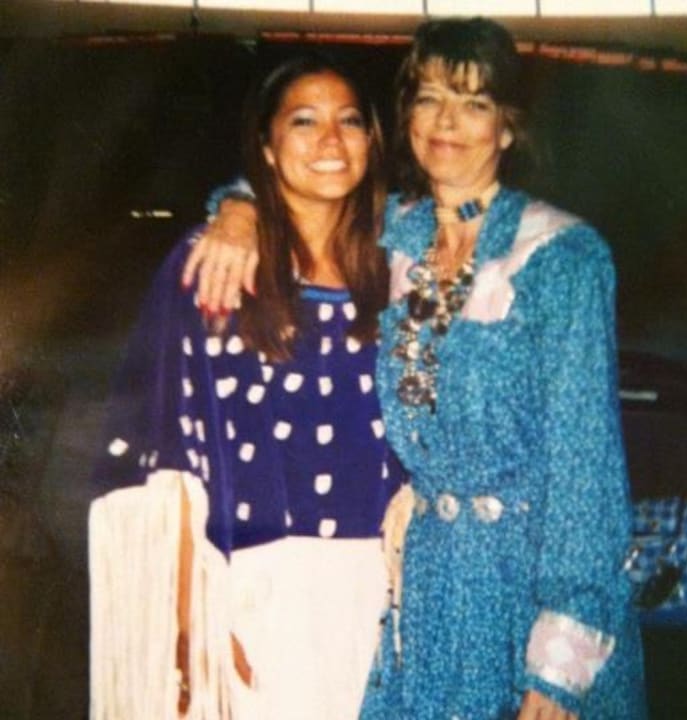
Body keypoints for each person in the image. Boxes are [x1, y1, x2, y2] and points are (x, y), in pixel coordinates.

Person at [185, 17, 648, 720]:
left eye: (474, 103)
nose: (446, 122)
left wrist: (559, 665)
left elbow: (587, 472)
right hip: (429, 591)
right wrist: (239, 209)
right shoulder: (391, 234)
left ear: (508, 127)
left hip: (526, 589)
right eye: (429, 98)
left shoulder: (560, 257)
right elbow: (302, 184)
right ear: (405, 118)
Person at [89, 53, 404, 720]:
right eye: (304, 121)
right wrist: (191, 619)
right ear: (266, 145)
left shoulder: (402, 266)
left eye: (350, 121)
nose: (330, 140)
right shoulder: (215, 264)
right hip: (253, 588)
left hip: (380, 593)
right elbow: (170, 459)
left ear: (372, 140)